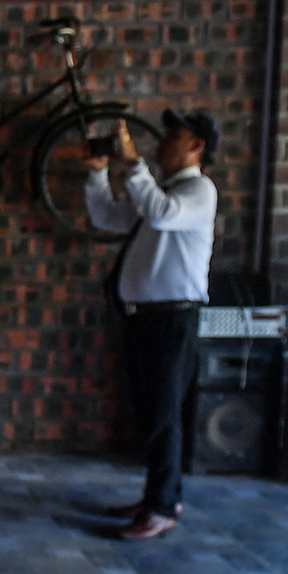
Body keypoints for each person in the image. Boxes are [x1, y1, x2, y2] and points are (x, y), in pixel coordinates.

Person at [84, 111, 220, 541]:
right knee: (151, 413)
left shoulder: (199, 192)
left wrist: (131, 164)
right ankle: (161, 497)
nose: (162, 144)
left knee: (164, 417)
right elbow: (109, 217)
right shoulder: (164, 193)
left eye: (173, 137)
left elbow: (160, 214)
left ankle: (161, 509)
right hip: (147, 318)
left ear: (196, 146)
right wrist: (98, 176)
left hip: (172, 318)